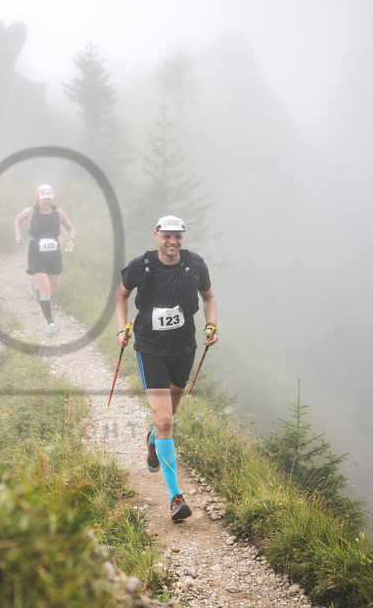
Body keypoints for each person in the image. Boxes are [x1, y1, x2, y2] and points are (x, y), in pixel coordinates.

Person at [115, 215, 218, 521]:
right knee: (166, 421)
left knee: (168, 419)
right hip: (150, 349)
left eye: (178, 236)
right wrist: (122, 329)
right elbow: (121, 296)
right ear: (157, 235)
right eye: (167, 236)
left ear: (183, 237)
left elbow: (209, 298)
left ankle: (152, 440)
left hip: (184, 349)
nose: (172, 242)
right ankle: (176, 497)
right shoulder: (141, 266)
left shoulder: (195, 265)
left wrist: (212, 325)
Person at [14, 184, 75, 336]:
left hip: (54, 255)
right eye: (43, 198)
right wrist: (18, 235)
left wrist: (71, 240)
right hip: (36, 255)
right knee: (45, 289)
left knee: (52, 289)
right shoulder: (31, 212)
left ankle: (37, 290)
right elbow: (18, 219)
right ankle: (50, 323)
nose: (46, 201)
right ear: (38, 197)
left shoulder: (58, 213)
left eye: (48, 198)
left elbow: (70, 228)